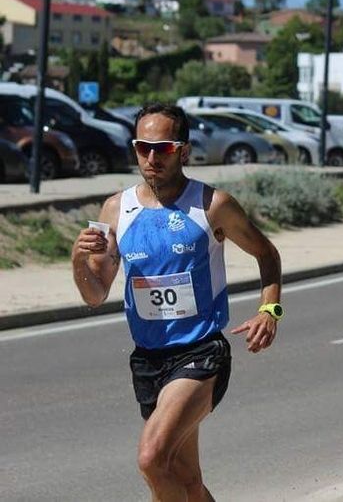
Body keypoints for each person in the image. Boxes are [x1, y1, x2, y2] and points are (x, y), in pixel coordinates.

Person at [71, 103, 283, 501]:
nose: (152, 157)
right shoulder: (116, 210)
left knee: (152, 458)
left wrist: (269, 310)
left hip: (201, 353)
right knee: (185, 481)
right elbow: (95, 294)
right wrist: (78, 259)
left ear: (183, 151)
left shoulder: (212, 204)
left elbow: (267, 254)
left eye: (163, 148)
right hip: (148, 359)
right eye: (143, 147)